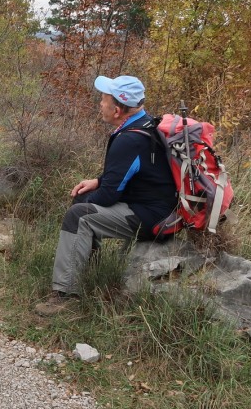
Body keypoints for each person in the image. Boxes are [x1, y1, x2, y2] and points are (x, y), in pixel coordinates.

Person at [34, 75, 177, 316]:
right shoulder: (144, 124)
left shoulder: (129, 138)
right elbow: (135, 173)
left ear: (118, 109)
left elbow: (110, 195)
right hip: (158, 206)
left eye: (104, 99)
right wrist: (98, 182)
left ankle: (65, 296)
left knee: (79, 215)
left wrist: (86, 201)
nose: (100, 104)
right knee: (83, 203)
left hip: (152, 216)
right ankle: (86, 271)